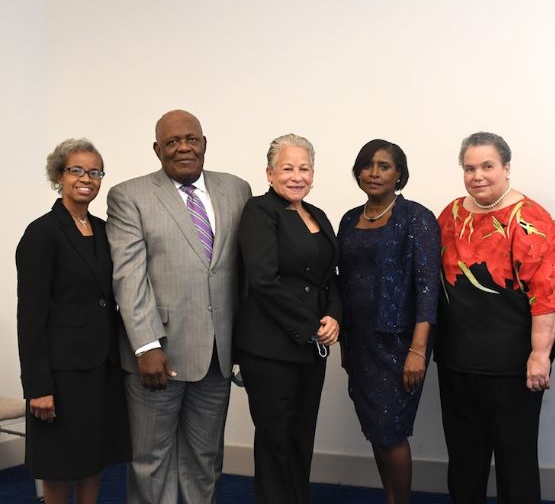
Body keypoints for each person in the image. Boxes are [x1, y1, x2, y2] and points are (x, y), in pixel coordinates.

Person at [106, 110, 252, 504]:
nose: (183, 147)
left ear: (205, 143)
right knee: (151, 459)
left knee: (205, 458)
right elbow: (129, 276)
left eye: (191, 139)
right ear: (157, 150)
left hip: (218, 354)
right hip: (159, 354)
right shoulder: (128, 195)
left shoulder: (237, 189)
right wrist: (147, 345)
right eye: (172, 142)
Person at [436, 132, 555, 504]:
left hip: (512, 364)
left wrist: (539, 355)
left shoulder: (530, 218)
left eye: (487, 166)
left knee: (515, 460)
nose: (477, 175)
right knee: (464, 459)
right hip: (457, 360)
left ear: (507, 168)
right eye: (470, 168)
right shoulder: (451, 215)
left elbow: (550, 294)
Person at [16, 139, 130, 504]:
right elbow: (31, 316)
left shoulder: (104, 229)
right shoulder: (42, 233)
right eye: (76, 170)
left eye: (95, 172)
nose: (87, 178)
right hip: (60, 373)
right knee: (59, 460)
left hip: (102, 366)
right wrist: (37, 386)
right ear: (59, 175)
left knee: (93, 456)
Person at [235, 134, 341, 504]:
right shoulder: (259, 212)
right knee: (275, 439)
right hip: (269, 348)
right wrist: (311, 323)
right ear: (269, 173)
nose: (297, 176)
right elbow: (263, 279)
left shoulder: (319, 215)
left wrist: (333, 317)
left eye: (304, 168)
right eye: (287, 168)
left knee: (301, 435)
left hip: (311, 349)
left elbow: (330, 277)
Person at [337, 139, 440, 504]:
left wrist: (417, 349)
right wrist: (345, 343)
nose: (374, 172)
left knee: (391, 429)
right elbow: (343, 281)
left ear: (400, 174)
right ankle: (391, 498)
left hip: (399, 344)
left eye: (384, 166)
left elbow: (428, 288)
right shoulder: (350, 219)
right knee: (376, 429)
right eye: (367, 165)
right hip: (361, 341)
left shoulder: (417, 217)